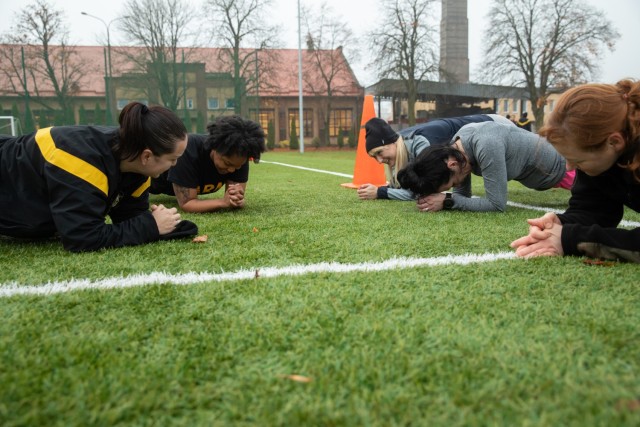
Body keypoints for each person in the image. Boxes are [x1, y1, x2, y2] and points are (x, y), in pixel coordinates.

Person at [0, 102, 196, 252]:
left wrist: (166, 224)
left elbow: (130, 218)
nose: (175, 165)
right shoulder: (79, 160)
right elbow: (81, 237)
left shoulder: (137, 168)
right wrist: (149, 226)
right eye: (173, 158)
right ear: (147, 156)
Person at [511, 79, 640, 263]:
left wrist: (570, 239)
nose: (569, 168)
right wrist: (560, 224)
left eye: (578, 160)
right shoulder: (600, 159)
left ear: (614, 142)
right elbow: (594, 210)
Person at [397, 121, 575, 212]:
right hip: (550, 172)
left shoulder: (486, 146)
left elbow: (497, 205)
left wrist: (447, 201)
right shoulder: (457, 150)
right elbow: (463, 195)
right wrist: (441, 199)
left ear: (452, 165)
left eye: (451, 184)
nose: (456, 186)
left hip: (565, 167)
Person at [357, 114, 514, 200]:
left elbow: (419, 190)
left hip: (496, 125)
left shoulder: (422, 144)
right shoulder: (402, 143)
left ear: (392, 144)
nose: (378, 160)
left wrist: (380, 193)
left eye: (379, 153)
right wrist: (383, 189)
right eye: (374, 157)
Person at [150, 115, 266, 213]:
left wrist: (237, 200)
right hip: (153, 184)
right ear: (214, 148)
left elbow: (235, 197)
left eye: (237, 166)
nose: (231, 170)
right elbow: (187, 203)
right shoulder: (189, 149)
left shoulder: (240, 155)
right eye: (227, 163)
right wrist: (222, 202)